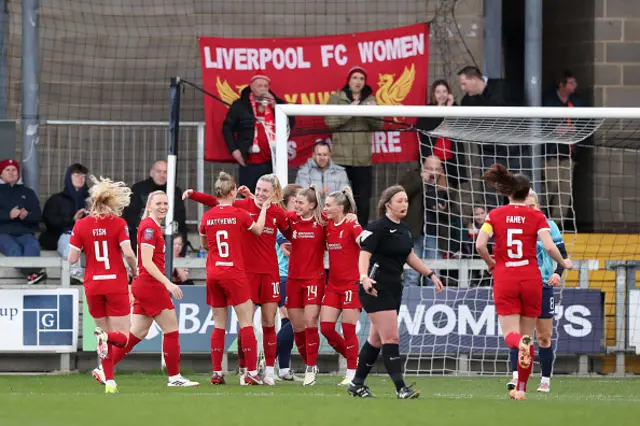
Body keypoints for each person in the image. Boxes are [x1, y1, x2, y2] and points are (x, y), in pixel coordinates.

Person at [475, 164, 572, 401]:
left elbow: (479, 244)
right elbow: (549, 247)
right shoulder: (537, 216)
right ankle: (520, 389)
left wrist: (490, 262)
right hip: (532, 279)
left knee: (512, 335)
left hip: (506, 276)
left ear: (509, 192)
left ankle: (520, 349)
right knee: (529, 337)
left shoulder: (494, 215)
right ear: (527, 192)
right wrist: (564, 263)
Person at [184, 173, 289, 385]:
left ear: (274, 193)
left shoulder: (278, 213)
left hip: (269, 273)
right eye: (258, 189)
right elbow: (217, 201)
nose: (260, 193)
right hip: (244, 273)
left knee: (269, 322)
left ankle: (269, 371)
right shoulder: (242, 207)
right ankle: (245, 370)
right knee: (245, 324)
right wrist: (195, 195)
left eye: (265, 191)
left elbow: (292, 231)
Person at [348, 185, 444, 399]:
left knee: (375, 340)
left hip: (393, 288)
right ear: (388, 204)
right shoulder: (377, 227)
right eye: (399, 201)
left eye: (406, 201)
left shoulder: (405, 229)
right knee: (391, 337)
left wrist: (430, 274)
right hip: (375, 288)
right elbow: (364, 255)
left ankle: (357, 384)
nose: (404, 204)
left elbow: (409, 256)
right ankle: (401, 388)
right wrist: (364, 278)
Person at [106, 191, 199, 387]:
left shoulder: (152, 226)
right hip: (151, 286)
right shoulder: (149, 227)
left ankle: (103, 368)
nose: (163, 207)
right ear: (149, 206)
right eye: (158, 203)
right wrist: (168, 283)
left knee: (138, 332)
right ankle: (174, 378)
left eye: (165, 203)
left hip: (144, 285)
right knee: (171, 329)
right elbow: (147, 262)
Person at [67, 176, 138, 394]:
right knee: (123, 337)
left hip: (93, 285)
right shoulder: (118, 224)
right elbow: (127, 253)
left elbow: (71, 259)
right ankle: (106, 348)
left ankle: (110, 381)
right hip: (115, 284)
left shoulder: (80, 225)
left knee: (103, 335)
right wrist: (135, 271)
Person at [201, 172, 270, 386]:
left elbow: (204, 244)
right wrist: (264, 209)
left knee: (219, 324)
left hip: (213, 273)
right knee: (246, 322)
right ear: (233, 191)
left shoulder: (207, 216)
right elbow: (258, 231)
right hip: (234, 273)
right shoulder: (239, 214)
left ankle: (217, 373)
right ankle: (251, 372)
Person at [506, 190, 568, 393]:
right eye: (526, 206)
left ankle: (545, 379)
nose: (529, 210)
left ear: (538, 207)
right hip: (520, 285)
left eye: (532, 206)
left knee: (543, 337)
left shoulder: (549, 226)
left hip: (543, 286)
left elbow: (562, 254)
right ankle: (516, 377)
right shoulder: (514, 227)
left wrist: (558, 272)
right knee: (521, 336)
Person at [280, 186, 327, 386]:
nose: (296, 205)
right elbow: (276, 215)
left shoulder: (322, 223)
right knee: (297, 327)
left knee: (310, 322)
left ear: (312, 205)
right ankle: (310, 364)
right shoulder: (291, 219)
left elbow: (341, 215)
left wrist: (350, 217)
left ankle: (310, 368)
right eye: (295, 202)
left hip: (314, 279)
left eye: (300, 202)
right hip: (293, 280)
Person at [325, 66, 382, 227]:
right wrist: (351, 110)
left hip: (362, 161)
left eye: (361, 78)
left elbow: (379, 124)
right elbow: (330, 122)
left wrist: (368, 111)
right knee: (338, 199)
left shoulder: (371, 100)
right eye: (355, 78)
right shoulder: (336, 98)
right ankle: (336, 231)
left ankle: (360, 234)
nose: (358, 81)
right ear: (348, 81)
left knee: (362, 202)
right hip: (340, 159)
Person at [223, 73, 295, 191]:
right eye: (259, 86)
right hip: (250, 160)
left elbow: (290, 124)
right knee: (249, 195)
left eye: (265, 86)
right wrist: (234, 150)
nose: (263, 89)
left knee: (272, 196)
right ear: (251, 86)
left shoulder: (278, 103)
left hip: (272, 161)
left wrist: (275, 106)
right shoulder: (240, 105)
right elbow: (227, 129)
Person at [322, 187, 363, 385]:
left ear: (340, 207)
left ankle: (352, 372)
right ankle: (353, 358)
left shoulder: (352, 224)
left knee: (348, 329)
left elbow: (364, 242)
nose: (325, 208)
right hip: (333, 285)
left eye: (328, 205)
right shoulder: (328, 225)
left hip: (352, 284)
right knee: (326, 328)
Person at [123, 160, 187, 254]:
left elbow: (180, 216)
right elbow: (131, 215)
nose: (162, 175)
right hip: (143, 231)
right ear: (151, 173)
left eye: (165, 172)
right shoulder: (139, 189)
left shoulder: (175, 191)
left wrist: (167, 229)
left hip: (168, 232)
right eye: (159, 171)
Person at [0, 158, 46, 285]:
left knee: (32, 245)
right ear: (1, 173)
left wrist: (26, 216)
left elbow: (38, 215)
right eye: (7, 170)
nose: (11, 172)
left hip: (25, 232)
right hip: (3, 233)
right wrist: (8, 215)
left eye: (14, 170)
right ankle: (33, 273)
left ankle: (33, 273)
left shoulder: (27, 192)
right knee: (13, 249)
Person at [41, 163, 90, 282]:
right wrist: (72, 220)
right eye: (77, 175)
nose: (81, 178)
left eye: (83, 176)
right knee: (70, 239)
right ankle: (75, 274)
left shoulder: (90, 199)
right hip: (63, 235)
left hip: (86, 236)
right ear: (69, 177)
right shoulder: (57, 199)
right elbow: (49, 220)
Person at [275, 184, 303, 381]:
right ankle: (266, 360)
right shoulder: (284, 220)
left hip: (286, 275)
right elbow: (288, 249)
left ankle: (283, 368)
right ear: (292, 199)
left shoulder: (291, 220)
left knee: (287, 321)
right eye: (299, 199)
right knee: (295, 321)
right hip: (283, 275)